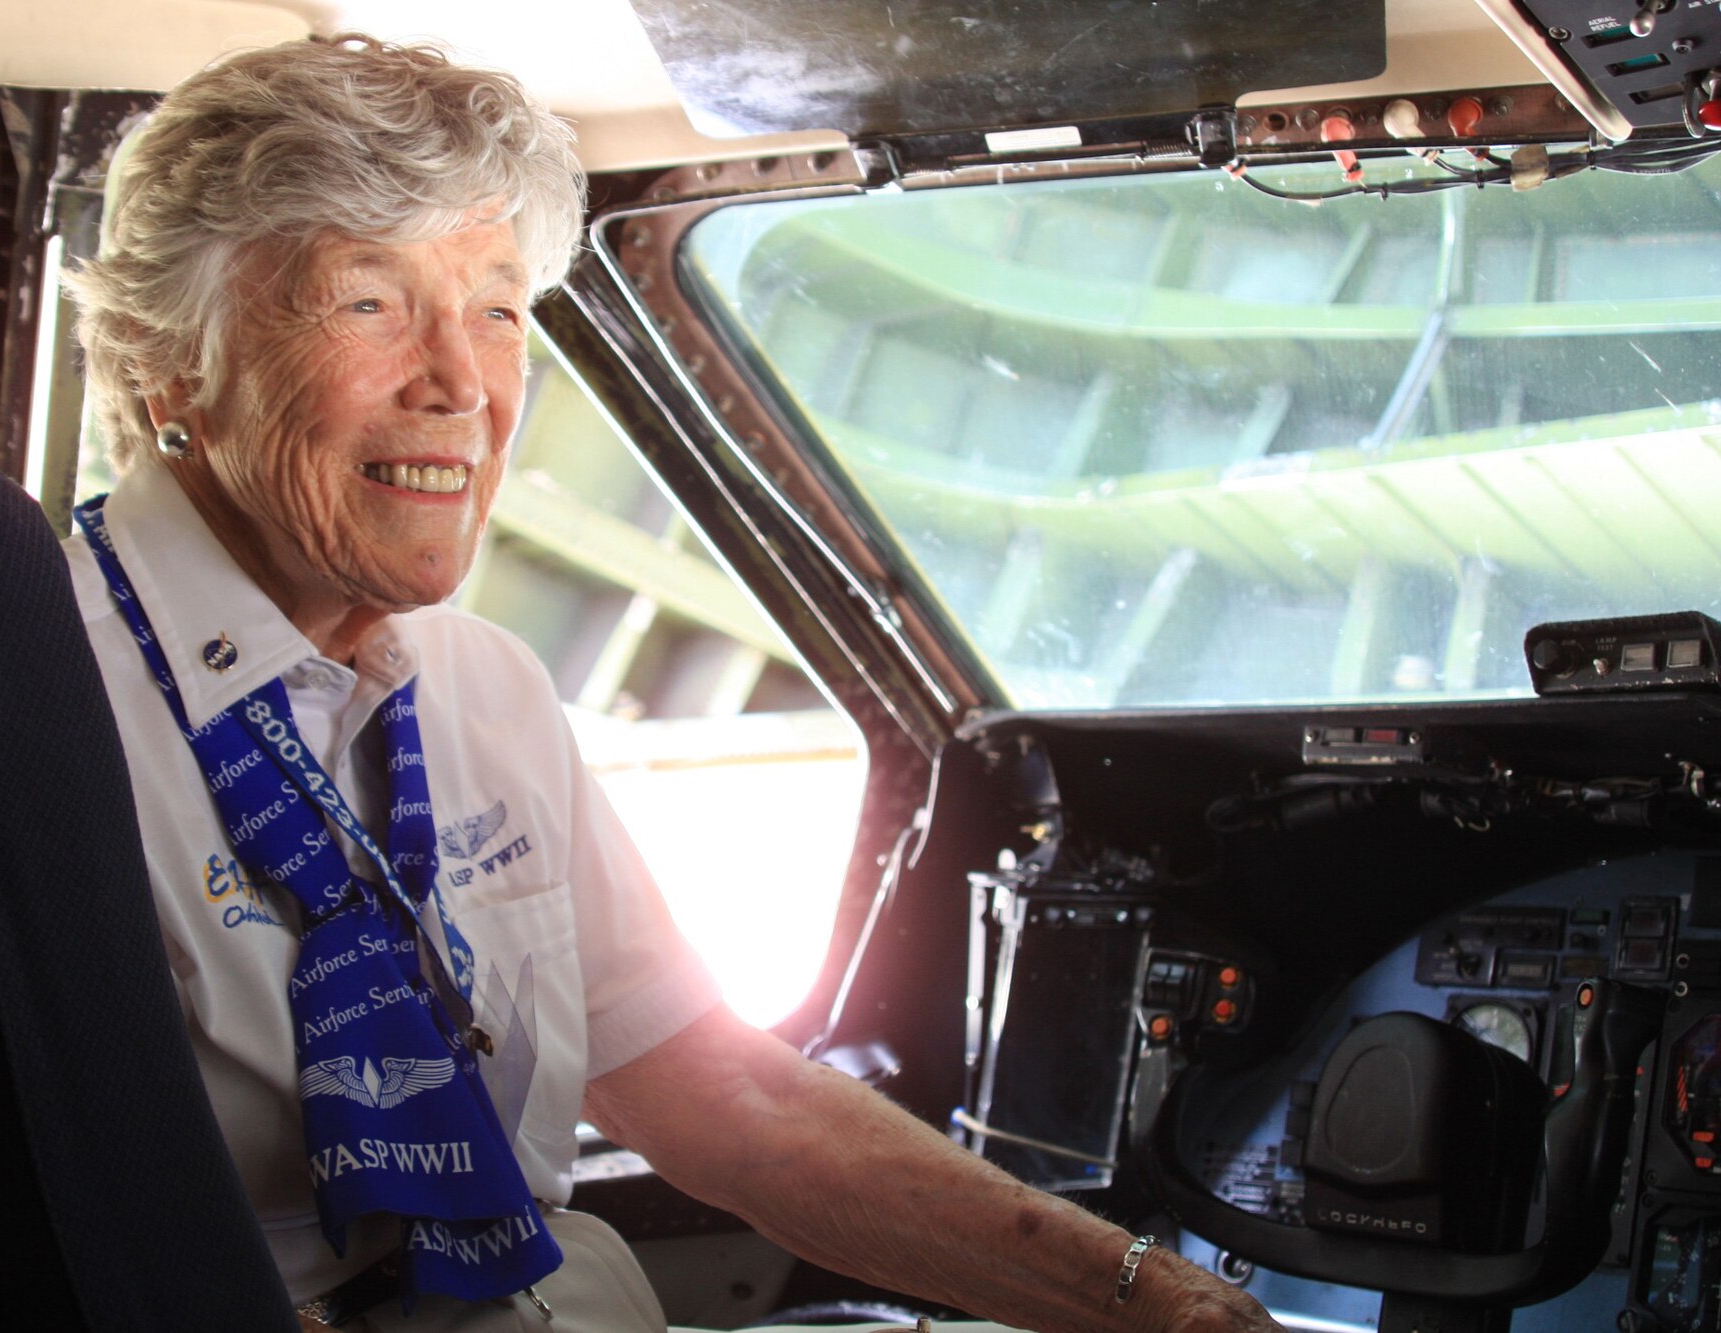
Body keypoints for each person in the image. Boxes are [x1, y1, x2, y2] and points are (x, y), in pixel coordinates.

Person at [62, 33, 1283, 1333]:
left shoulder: (485, 689)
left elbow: (720, 1093)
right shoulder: (36, 702)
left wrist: (1161, 1306)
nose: (462, 383)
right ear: (167, 361)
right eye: (368, 301)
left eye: (492, 306)